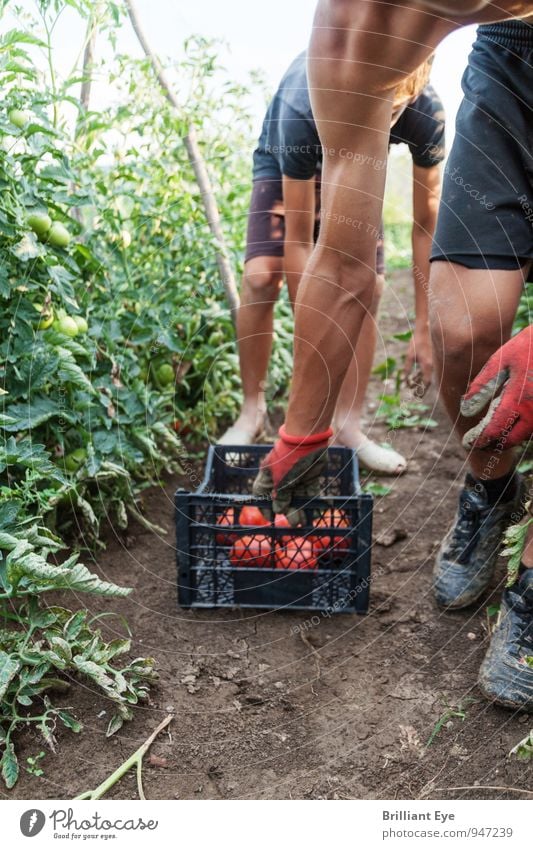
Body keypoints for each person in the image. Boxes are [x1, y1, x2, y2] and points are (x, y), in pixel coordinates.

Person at [252, 0, 533, 712]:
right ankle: (492, 490)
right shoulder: (355, 32)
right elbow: (341, 261)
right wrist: (301, 429)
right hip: (510, 63)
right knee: (461, 328)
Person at [220, 52, 445, 475]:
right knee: (260, 276)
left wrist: (423, 325)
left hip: (359, 161)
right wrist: (312, 354)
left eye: (390, 113)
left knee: (368, 286)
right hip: (288, 153)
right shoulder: (301, 107)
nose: (383, 116)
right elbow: (299, 244)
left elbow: (424, 227)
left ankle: (348, 425)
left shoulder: (426, 116)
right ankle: (252, 414)